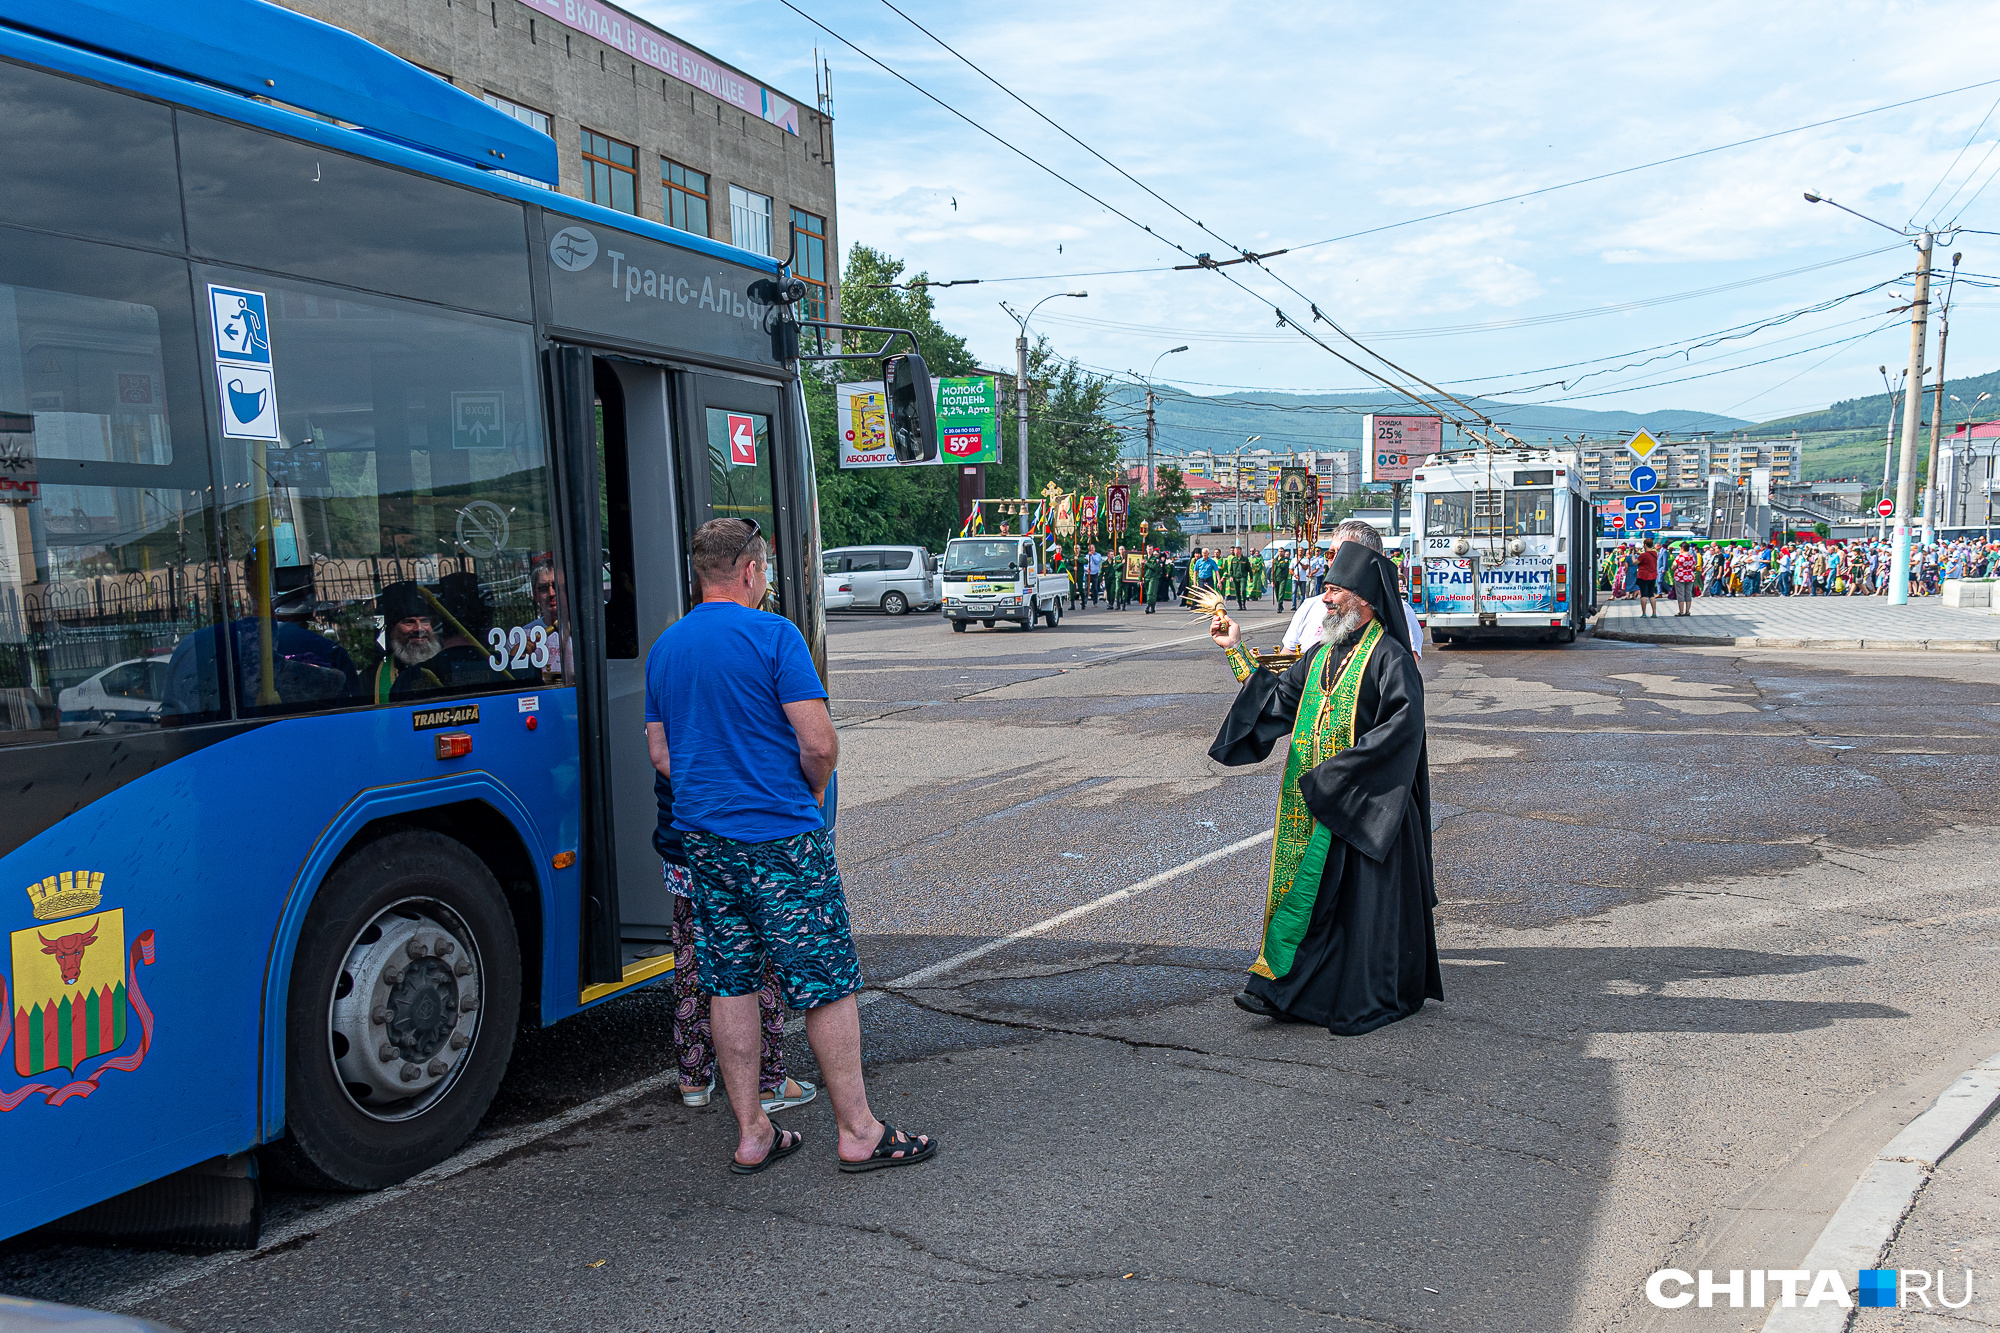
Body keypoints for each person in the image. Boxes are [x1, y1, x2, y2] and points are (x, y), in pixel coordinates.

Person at [644, 517, 935, 1174]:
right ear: (750, 569)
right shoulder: (775, 636)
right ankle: (858, 1129)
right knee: (826, 980)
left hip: (705, 843)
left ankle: (752, 1130)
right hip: (780, 835)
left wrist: (711, 784)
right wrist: (800, 790)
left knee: (730, 981)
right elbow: (820, 742)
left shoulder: (666, 649)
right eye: (765, 568)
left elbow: (662, 753)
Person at [1207, 540, 1442, 1033]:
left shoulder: (1391, 658)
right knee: (1308, 897)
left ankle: (1303, 991)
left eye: (1334, 590)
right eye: (1326, 589)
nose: (1326, 599)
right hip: (1310, 799)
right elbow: (1275, 700)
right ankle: (1284, 989)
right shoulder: (1320, 654)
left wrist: (1340, 777)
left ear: (1364, 597)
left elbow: (1402, 731)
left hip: (1360, 802)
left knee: (1342, 907)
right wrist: (1236, 650)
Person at [655, 770, 816, 1114]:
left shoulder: (668, 713)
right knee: (759, 967)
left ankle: (693, 1077)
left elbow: (660, 756)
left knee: (692, 962)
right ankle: (768, 1082)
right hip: (735, 837)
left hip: (681, 840)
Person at [1281, 522, 1423, 660]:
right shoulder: (1309, 606)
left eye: (1343, 553)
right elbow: (1285, 662)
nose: (1334, 560)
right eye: (1331, 553)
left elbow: (1404, 674)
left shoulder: (1401, 613)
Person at [1634, 535, 1660, 618]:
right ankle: (1654, 612)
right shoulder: (1655, 553)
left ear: (1645, 545)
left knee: (1644, 594)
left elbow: (1635, 562)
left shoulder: (1643, 555)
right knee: (1651, 594)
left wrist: (1632, 554)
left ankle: (1644, 613)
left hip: (1644, 576)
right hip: (1653, 575)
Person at [1670, 541, 1698, 616]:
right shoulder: (1691, 556)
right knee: (1688, 593)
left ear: (1682, 548)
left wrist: (1674, 569)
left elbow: (1673, 566)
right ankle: (1688, 611)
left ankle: (1681, 611)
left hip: (1680, 576)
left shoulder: (1679, 557)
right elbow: (1694, 565)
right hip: (1690, 576)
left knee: (1680, 594)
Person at [1224, 544, 1250, 612]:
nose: (1234, 552)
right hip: (1236, 577)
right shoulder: (1233, 559)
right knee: (1237, 591)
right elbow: (1231, 569)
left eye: (1235, 551)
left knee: (1243, 590)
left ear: (1239, 551)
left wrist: (1251, 577)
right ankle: (1239, 605)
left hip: (1243, 577)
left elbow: (1249, 569)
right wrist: (1231, 576)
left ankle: (1243, 603)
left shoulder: (1245, 559)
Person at [1143, 545, 1168, 613]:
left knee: (1151, 592)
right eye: (1148, 549)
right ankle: (1152, 606)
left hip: (1153, 577)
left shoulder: (1156, 559)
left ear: (1152, 550)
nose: (1149, 551)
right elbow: (1142, 570)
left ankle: (1148, 606)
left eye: (1150, 549)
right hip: (1146, 577)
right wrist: (1140, 579)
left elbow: (1156, 568)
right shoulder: (1144, 558)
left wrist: (1147, 563)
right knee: (1149, 592)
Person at [1121, 545, 1145, 610]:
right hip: (1126, 576)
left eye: (1135, 550)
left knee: (1135, 587)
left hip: (1135, 576)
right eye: (1133, 550)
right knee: (1127, 589)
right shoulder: (1127, 556)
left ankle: (1135, 597)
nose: (1134, 551)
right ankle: (1125, 601)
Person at [1271, 546, 1294, 612]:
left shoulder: (1285, 559)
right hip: (1276, 578)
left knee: (1281, 592)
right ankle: (1281, 604)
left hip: (1282, 578)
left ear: (1283, 552)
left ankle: (1279, 606)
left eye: (1281, 551)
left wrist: (1276, 562)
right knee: (1277, 593)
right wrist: (1272, 579)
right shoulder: (1275, 559)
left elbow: (1283, 566)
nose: (1280, 552)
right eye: (1279, 551)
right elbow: (1273, 570)